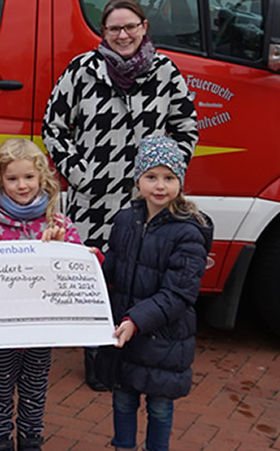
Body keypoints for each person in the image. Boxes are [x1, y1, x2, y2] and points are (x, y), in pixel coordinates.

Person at [42, 0, 198, 391]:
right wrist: (78, 173)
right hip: (91, 201)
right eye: (114, 28)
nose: (123, 34)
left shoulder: (165, 72)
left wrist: (167, 176)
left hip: (147, 204)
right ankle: (99, 363)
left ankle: (134, 356)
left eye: (130, 26)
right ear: (103, 33)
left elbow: (186, 128)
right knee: (96, 282)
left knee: (139, 279)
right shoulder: (82, 70)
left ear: (144, 27)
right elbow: (54, 126)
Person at [103, 136, 212, 451]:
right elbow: (113, 265)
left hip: (164, 341)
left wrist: (136, 320)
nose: (160, 186)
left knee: (160, 406)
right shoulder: (125, 220)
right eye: (151, 176)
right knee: (122, 400)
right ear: (138, 179)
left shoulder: (188, 232)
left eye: (169, 177)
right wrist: (90, 263)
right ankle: (123, 447)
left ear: (180, 181)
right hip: (125, 335)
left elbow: (179, 293)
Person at [0, 138, 83, 451]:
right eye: (12, 178)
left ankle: (31, 441)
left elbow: (87, 266)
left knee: (35, 390)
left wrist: (64, 247)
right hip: (0, 331)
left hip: (41, 329)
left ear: (42, 177)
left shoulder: (58, 223)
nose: (21, 185)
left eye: (28, 177)